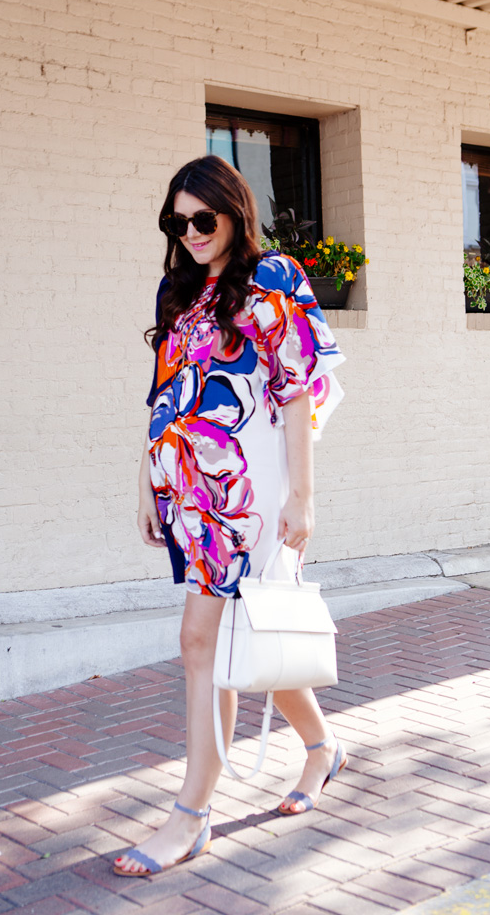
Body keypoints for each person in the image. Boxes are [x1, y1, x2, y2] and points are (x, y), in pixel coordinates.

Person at [114, 155, 348, 877]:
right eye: (176, 222)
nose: (190, 233)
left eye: (202, 219)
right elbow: (164, 395)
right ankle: (321, 750)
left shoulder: (270, 277)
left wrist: (302, 497)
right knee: (251, 638)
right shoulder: (176, 290)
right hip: (189, 493)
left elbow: (296, 387)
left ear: (233, 213)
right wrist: (148, 483)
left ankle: (192, 811)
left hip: (250, 492)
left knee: (202, 640)